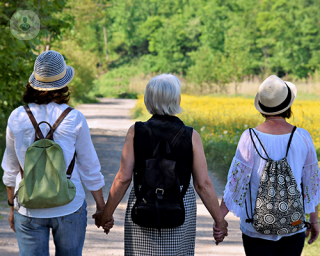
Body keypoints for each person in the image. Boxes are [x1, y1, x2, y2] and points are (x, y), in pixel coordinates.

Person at [93, 74, 228, 255]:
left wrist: (106, 214)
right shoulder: (191, 135)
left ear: (148, 100)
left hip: (144, 201)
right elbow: (202, 184)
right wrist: (219, 221)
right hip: (179, 204)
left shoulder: (136, 132)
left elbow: (123, 178)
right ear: (177, 99)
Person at [2, 50, 106, 256]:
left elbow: (10, 168)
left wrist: (12, 206)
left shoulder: (17, 117)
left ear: (33, 83)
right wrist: (102, 208)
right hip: (69, 205)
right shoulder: (74, 118)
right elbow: (89, 167)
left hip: (28, 207)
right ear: (64, 83)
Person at [214, 75, 320, 255]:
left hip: (255, 228)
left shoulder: (249, 137)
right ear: (288, 106)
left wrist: (219, 219)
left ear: (262, 107)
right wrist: (314, 220)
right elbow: (312, 183)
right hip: (293, 225)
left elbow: (236, 183)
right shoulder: (303, 137)